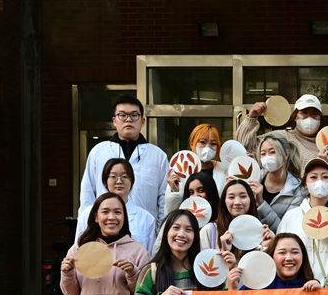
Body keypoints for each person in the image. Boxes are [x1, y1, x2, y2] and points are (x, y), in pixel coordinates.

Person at [76, 159, 157, 295]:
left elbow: (148, 260)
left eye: (125, 176)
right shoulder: (87, 215)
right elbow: (78, 256)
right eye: (113, 176)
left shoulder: (146, 218)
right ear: (105, 181)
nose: (118, 181)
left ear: (132, 181)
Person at [79, 95, 169, 227]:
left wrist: (161, 231)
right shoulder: (99, 152)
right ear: (115, 121)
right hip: (105, 228)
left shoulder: (157, 155)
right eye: (122, 115)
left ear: (143, 121)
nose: (128, 119)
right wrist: (88, 228)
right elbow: (87, 193)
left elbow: (164, 198)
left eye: (134, 115)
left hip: (143, 228)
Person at [277, 158, 328, 288]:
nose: (319, 182)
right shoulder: (291, 216)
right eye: (313, 177)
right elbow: (280, 254)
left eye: (325, 177)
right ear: (305, 184)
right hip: (297, 290)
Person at [237, 94, 327, 169]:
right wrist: (252, 118)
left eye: (315, 114)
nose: (309, 118)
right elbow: (243, 146)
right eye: (304, 112)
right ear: (295, 117)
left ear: (320, 118)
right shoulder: (282, 137)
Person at [152, 172, 220, 256]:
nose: (195, 196)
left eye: (201, 190)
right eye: (191, 192)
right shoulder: (177, 218)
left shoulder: (220, 222)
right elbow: (158, 250)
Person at [201, 179, 273, 257]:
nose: (237, 202)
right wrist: (224, 252)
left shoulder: (265, 234)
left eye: (243, 196)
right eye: (231, 197)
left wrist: (267, 248)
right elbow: (203, 263)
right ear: (224, 201)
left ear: (251, 200)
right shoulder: (209, 231)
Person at [165, 124, 226, 214]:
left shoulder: (225, 172)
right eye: (202, 142)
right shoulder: (181, 171)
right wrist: (174, 191)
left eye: (213, 144)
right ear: (192, 144)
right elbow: (171, 212)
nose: (207, 147)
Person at [255, 133, 305, 228]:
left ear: (286, 154)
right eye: (263, 154)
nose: (267, 157)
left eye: (272, 152)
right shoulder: (254, 179)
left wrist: (261, 203)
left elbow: (285, 228)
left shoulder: (298, 191)